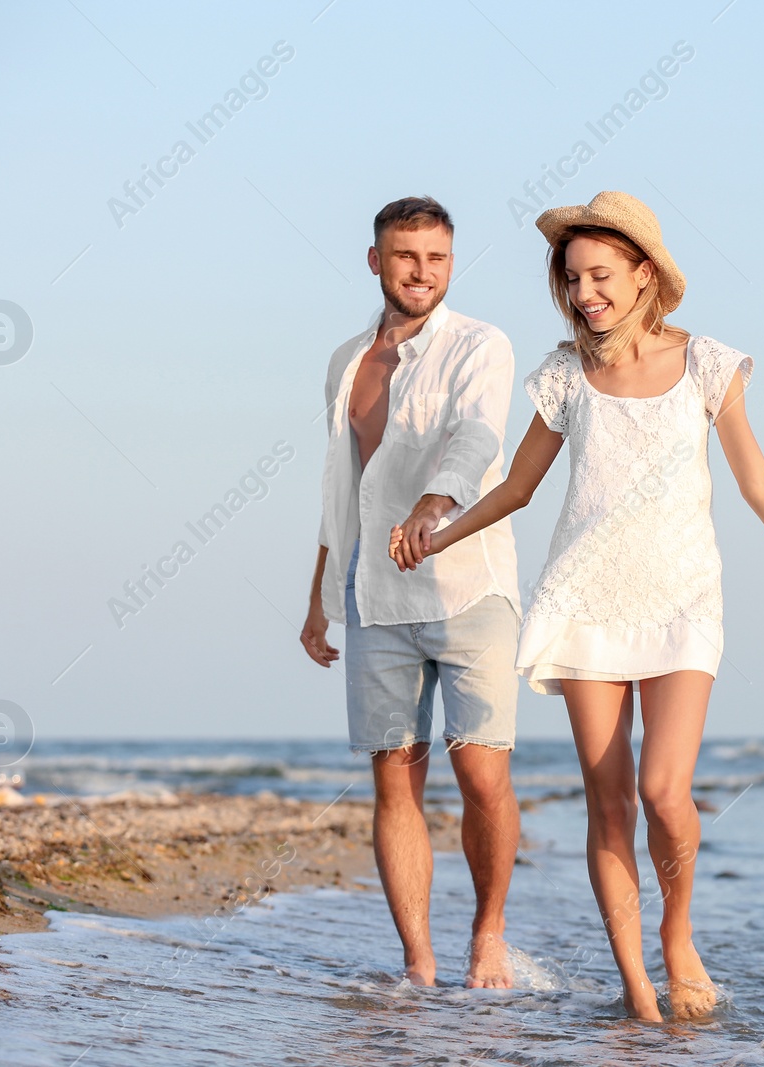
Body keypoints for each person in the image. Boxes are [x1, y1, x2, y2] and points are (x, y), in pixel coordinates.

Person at [388, 190, 764, 1020]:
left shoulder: (706, 366)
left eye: (602, 276)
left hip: (684, 597)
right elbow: (516, 487)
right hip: (585, 601)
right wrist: (438, 532)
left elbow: (758, 483)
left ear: (645, 274)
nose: (587, 294)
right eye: (574, 278)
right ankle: (639, 994)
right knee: (608, 800)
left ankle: (677, 929)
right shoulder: (565, 374)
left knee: (664, 790)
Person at [300, 196, 523, 989]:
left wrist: (437, 502)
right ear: (376, 262)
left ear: (452, 262)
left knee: (482, 774)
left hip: (470, 591)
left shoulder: (480, 345)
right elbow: (342, 487)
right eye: (405, 257)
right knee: (394, 776)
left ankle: (488, 934)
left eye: (436, 258)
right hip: (374, 598)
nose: (422, 272)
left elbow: (479, 433)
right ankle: (420, 965)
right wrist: (321, 593)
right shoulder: (345, 363)